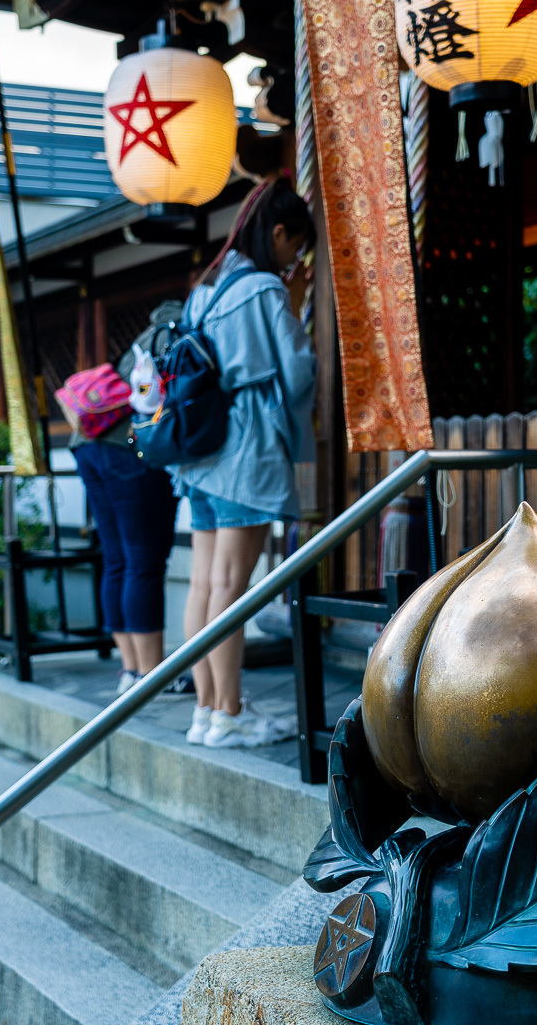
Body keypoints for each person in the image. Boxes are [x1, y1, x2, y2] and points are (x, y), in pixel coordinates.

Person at [170, 175, 317, 748]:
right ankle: (228, 713)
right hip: (245, 450)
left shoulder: (205, 288)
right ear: (277, 233)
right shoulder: (264, 290)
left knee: (204, 583)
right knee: (233, 585)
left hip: (200, 454)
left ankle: (207, 711)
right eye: (295, 246)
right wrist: (297, 305)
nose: (295, 259)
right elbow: (297, 373)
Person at [72, 301, 181, 696]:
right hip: (125, 449)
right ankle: (152, 675)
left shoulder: (143, 339)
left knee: (117, 558)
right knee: (143, 560)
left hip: (87, 447)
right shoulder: (175, 334)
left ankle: (131, 670)